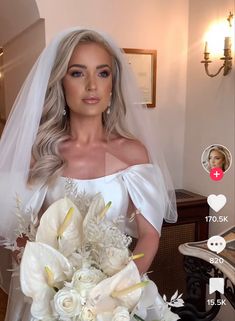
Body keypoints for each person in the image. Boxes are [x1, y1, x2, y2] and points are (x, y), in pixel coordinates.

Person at [0, 28, 177, 321]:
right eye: (78, 73)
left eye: (103, 73)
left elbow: (149, 235)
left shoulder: (133, 154)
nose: (92, 85)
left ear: (113, 83)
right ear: (61, 81)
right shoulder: (39, 154)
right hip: (53, 301)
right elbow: (18, 236)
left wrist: (114, 291)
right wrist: (54, 289)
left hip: (120, 297)